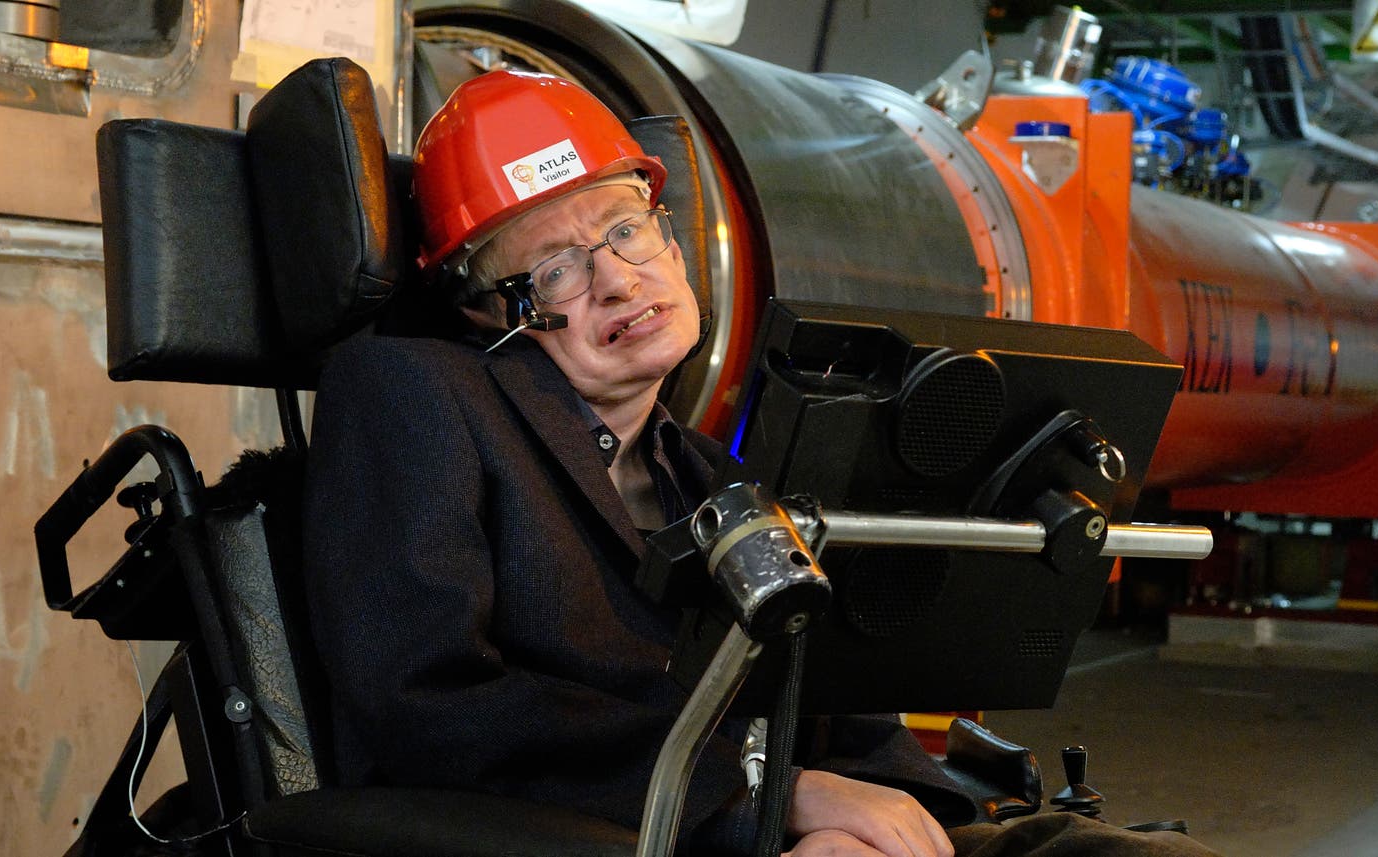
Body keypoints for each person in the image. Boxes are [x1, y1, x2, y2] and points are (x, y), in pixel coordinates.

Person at [302, 68, 1218, 857]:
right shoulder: (413, 391)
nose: (619, 279)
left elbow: (834, 703)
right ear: (489, 312)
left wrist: (844, 822)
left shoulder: (708, 473)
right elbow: (429, 703)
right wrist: (770, 798)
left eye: (625, 228)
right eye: (555, 269)